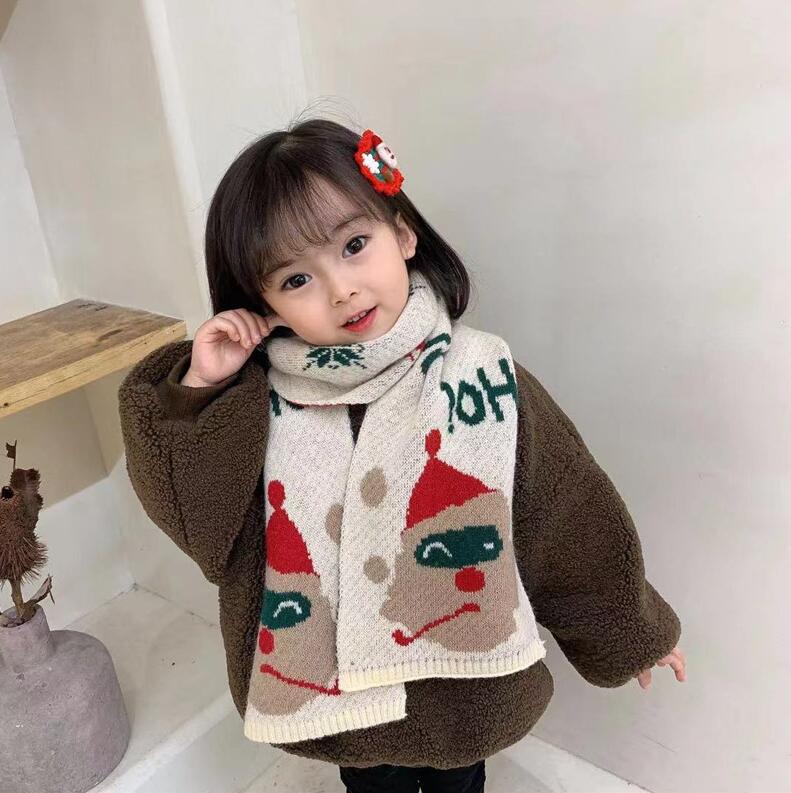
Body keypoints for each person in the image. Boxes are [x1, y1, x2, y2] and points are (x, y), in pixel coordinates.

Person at [118, 117, 685, 793]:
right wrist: (201, 391)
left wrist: (628, 630)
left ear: (403, 233)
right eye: (295, 279)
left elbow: (564, 511)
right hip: (343, 707)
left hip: (462, 693)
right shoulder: (256, 406)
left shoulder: (483, 375)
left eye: (354, 245)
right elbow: (199, 524)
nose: (340, 289)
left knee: (459, 785)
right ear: (259, 303)